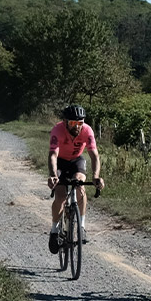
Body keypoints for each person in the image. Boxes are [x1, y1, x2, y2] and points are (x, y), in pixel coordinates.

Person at [47, 104, 104, 253]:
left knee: (80, 185)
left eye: (80, 123)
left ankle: (82, 226)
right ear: (66, 122)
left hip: (76, 160)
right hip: (60, 161)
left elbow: (94, 155)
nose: (77, 127)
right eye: (73, 123)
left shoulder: (87, 130)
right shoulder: (57, 130)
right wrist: (53, 175)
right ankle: (54, 230)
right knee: (60, 196)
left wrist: (96, 176)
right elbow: (53, 155)